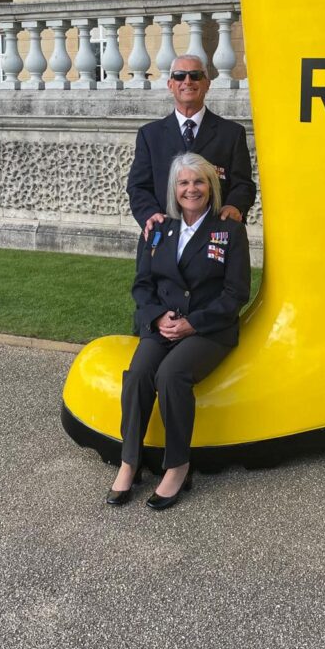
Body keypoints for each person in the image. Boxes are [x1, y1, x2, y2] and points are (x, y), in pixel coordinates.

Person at [108, 152, 251, 510]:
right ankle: (130, 461)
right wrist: (157, 319)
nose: (191, 189)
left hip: (208, 328)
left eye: (199, 181)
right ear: (174, 189)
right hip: (163, 324)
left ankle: (178, 465)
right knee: (139, 373)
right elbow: (142, 286)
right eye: (184, 182)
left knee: (171, 375)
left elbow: (237, 293)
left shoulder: (229, 230)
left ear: (211, 186)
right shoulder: (158, 229)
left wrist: (193, 323)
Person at [126, 55, 256, 240]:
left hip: (215, 237)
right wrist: (150, 214)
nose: (187, 81)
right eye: (180, 76)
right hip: (165, 234)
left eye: (195, 75)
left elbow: (243, 184)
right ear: (170, 84)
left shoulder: (232, 134)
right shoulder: (150, 135)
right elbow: (138, 187)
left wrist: (235, 206)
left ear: (207, 84)